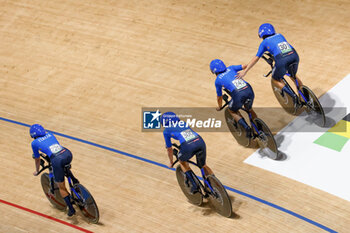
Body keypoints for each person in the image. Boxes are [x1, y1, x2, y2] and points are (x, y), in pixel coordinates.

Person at [236, 23, 303, 106]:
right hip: (294, 55)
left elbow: (256, 58)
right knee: (293, 76)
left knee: (275, 79)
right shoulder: (280, 35)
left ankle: (293, 97)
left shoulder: (264, 43)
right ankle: (304, 95)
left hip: (282, 59)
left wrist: (245, 71)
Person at [30, 124, 76, 217]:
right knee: (64, 167)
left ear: (33, 135)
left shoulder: (34, 143)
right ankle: (74, 180)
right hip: (67, 153)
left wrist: (37, 170)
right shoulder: (50, 134)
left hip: (57, 160)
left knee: (61, 187)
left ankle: (71, 209)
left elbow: (37, 159)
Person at [161, 112, 213, 193]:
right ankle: (214, 183)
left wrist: (171, 162)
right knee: (203, 165)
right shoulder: (183, 123)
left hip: (188, 146)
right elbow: (188, 136)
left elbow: (169, 149)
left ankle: (194, 186)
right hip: (199, 141)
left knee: (182, 161)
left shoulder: (166, 131)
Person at [210, 59, 257, 138]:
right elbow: (245, 66)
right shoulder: (231, 68)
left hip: (238, 95)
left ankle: (246, 128)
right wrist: (243, 72)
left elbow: (219, 96)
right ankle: (258, 126)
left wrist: (220, 106)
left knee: (232, 110)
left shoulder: (217, 80)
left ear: (213, 71)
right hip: (249, 89)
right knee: (249, 109)